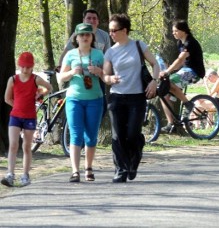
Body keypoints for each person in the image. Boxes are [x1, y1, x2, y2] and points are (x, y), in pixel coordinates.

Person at [102, 13, 159, 183]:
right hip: (117, 97)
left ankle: (135, 155)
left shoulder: (138, 45)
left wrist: (154, 82)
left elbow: (155, 64)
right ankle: (121, 169)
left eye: (114, 30)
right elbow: (105, 75)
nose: (111, 34)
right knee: (117, 135)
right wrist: (109, 79)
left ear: (124, 30)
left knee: (133, 134)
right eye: (110, 31)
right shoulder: (111, 52)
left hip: (137, 97)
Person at [59, 23, 105, 182]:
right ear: (76, 38)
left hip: (95, 99)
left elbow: (108, 76)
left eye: (88, 35)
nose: (85, 37)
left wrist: (99, 72)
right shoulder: (70, 54)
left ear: (92, 37)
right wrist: (71, 72)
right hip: (74, 99)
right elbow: (61, 77)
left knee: (91, 136)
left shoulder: (99, 54)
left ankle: (89, 168)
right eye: (82, 35)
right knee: (76, 134)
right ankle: (75, 171)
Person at [2, 52, 52, 187]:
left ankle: (25, 175)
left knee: (26, 146)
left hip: (30, 117)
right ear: (19, 65)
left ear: (32, 67)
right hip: (15, 117)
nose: (25, 70)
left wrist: (40, 94)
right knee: (13, 145)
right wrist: (17, 106)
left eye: (28, 67)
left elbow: (49, 87)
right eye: (23, 67)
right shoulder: (13, 79)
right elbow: (7, 98)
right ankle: (10, 174)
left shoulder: (35, 79)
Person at [159, 20, 206, 133]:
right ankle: (171, 123)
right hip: (185, 70)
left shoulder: (189, 43)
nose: (173, 33)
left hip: (194, 72)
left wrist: (167, 72)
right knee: (163, 95)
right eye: (173, 31)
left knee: (169, 81)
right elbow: (179, 64)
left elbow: (180, 60)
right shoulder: (179, 43)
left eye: (176, 31)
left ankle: (188, 104)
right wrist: (167, 69)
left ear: (183, 31)